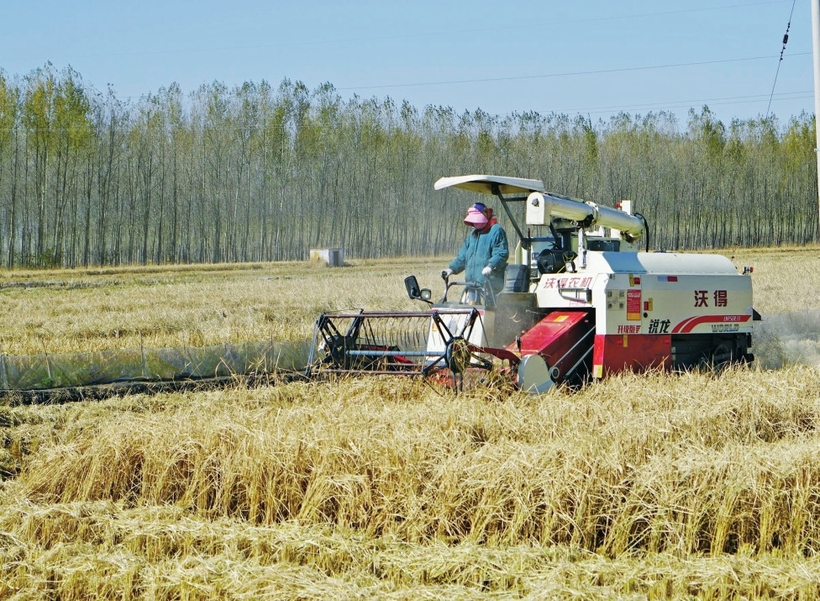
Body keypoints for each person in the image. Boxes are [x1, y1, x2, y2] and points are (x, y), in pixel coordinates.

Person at [442, 202, 509, 295]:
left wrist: (490, 266)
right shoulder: (473, 235)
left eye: (477, 220)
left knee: (488, 309)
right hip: (471, 285)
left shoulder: (496, 231)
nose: (475, 223)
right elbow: (463, 256)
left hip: (490, 286)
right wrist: (452, 269)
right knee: (470, 308)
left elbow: (501, 253)